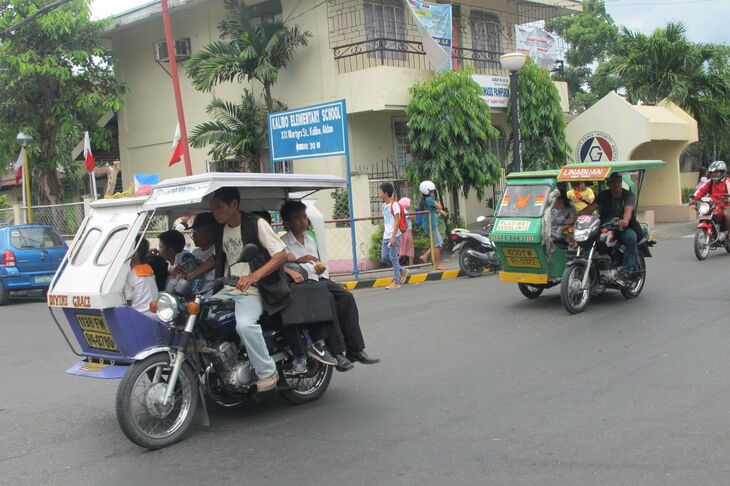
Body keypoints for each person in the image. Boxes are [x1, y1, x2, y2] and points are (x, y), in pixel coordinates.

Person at [210, 187, 325, 392]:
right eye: (213, 209)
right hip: (229, 288)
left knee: (244, 325)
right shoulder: (220, 228)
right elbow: (221, 259)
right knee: (202, 316)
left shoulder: (255, 224)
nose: (215, 213)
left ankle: (267, 372)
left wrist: (254, 276)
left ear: (234, 204)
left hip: (255, 290)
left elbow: (280, 255)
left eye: (219, 208)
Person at [279, 199, 380, 371]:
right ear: (287, 222)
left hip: (317, 279)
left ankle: (355, 349)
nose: (303, 221)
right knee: (328, 301)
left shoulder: (309, 240)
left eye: (304, 217)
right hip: (302, 284)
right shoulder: (283, 242)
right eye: (297, 218)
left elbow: (313, 263)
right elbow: (280, 263)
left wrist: (318, 269)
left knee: (346, 297)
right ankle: (337, 352)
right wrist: (296, 263)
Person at [578, 172, 640, 287]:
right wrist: (574, 218)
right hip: (605, 227)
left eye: (618, 181)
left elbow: (628, 210)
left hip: (623, 227)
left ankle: (626, 273)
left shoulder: (628, 195)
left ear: (621, 182)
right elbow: (590, 208)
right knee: (588, 238)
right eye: (613, 182)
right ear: (609, 183)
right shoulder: (604, 195)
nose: (616, 184)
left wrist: (625, 220)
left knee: (631, 238)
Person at [380, 182, 408, 289]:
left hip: (394, 235)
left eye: (381, 192)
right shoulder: (384, 206)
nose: (379, 194)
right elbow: (387, 221)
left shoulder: (394, 205)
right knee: (385, 257)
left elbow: (396, 221)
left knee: (393, 257)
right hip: (386, 235)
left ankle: (396, 282)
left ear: (386, 193)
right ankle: (402, 270)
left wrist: (393, 236)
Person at [124, 236, 159, 317]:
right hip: (155, 315)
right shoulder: (149, 270)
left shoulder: (130, 275)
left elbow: (128, 303)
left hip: (139, 316)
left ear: (134, 254)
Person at [692, 160, 730, 233]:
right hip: (713, 205)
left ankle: (729, 234)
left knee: (728, 216)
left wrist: (729, 199)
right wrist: (694, 198)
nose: (714, 174)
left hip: (726, 205)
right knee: (703, 214)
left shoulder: (727, 181)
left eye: (716, 172)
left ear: (722, 172)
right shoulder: (710, 182)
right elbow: (701, 190)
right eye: (712, 173)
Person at [418, 181, 448, 270]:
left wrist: (440, 211)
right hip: (431, 225)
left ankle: (425, 256)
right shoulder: (429, 200)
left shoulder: (425, 200)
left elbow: (433, 210)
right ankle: (437, 265)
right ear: (427, 191)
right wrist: (439, 206)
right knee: (438, 244)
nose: (433, 193)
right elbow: (439, 206)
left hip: (429, 224)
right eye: (431, 191)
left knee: (437, 243)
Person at [398, 197, 415, 266]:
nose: (410, 204)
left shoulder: (403, 211)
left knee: (408, 247)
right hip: (406, 231)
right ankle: (394, 262)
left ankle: (411, 263)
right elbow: (412, 217)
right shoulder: (405, 211)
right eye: (409, 203)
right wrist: (411, 210)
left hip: (406, 231)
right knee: (406, 247)